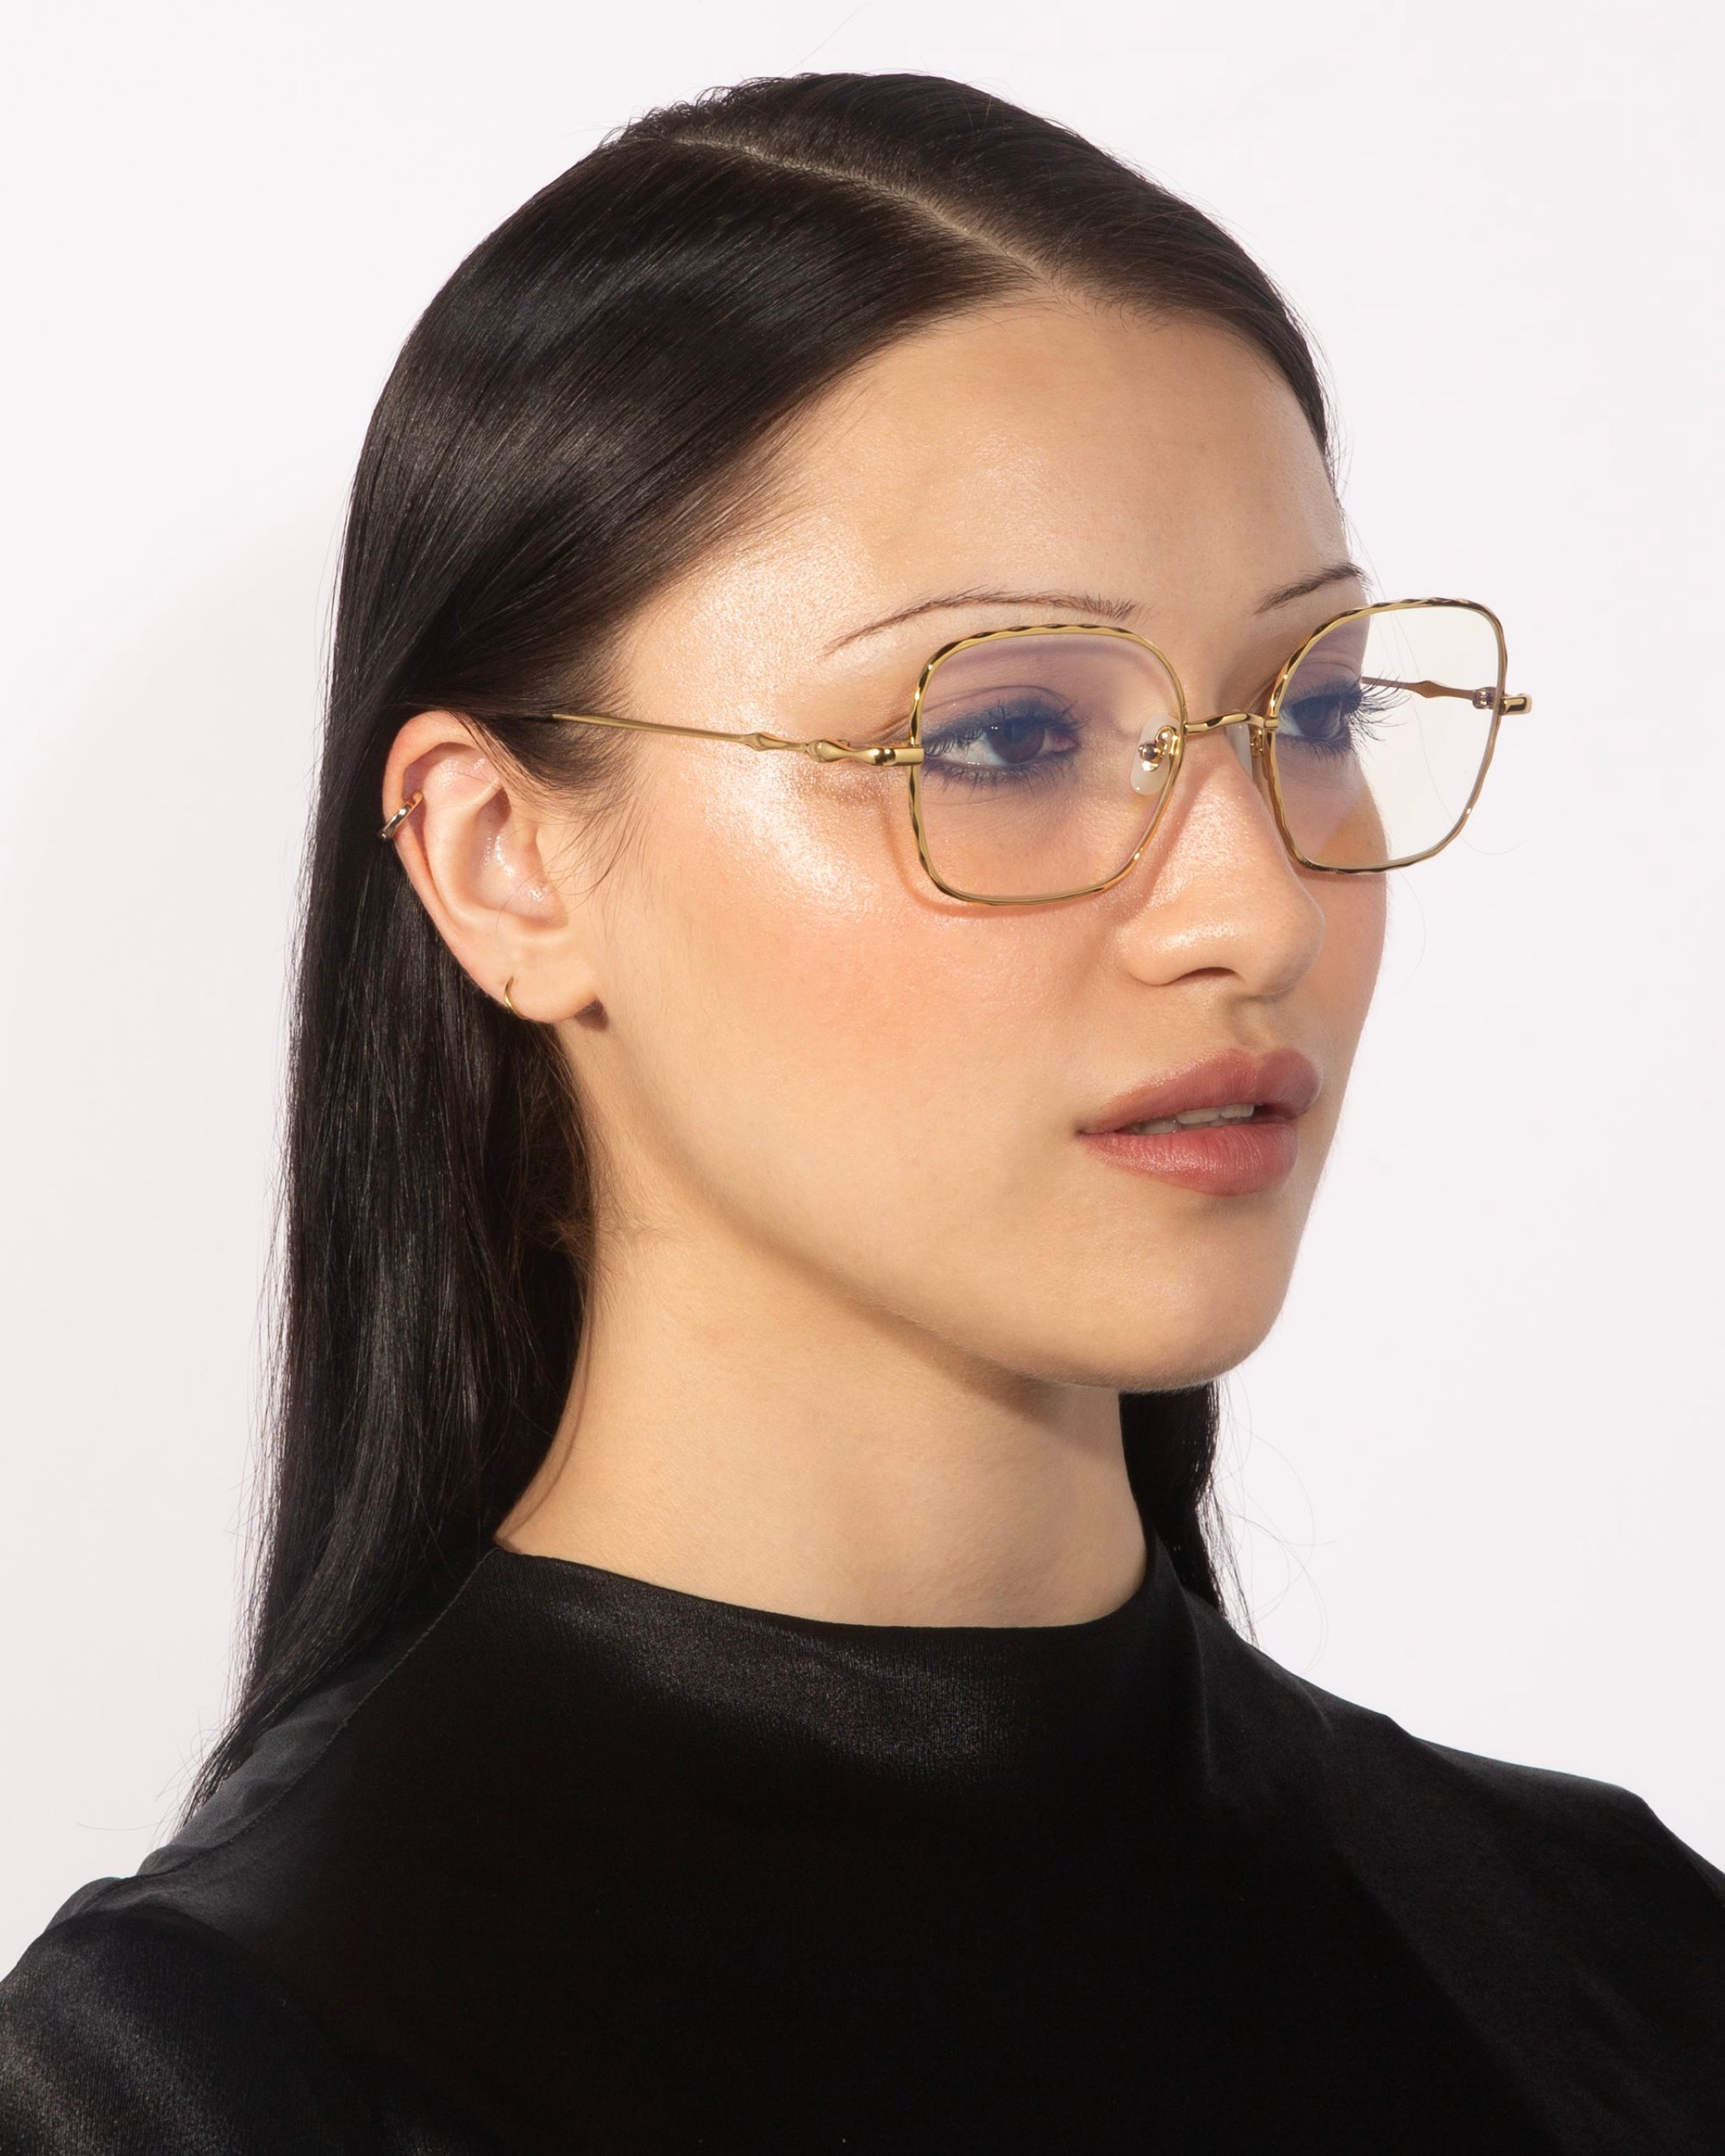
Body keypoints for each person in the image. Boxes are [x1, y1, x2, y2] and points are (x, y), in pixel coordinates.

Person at [2, 69, 1721, 2155]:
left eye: (1317, 708)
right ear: (503, 860)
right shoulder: (197, 2084)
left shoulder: (1622, 1954)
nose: (1257, 905)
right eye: (1001, 735)